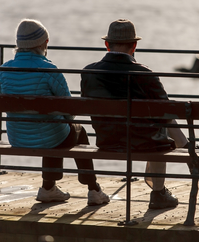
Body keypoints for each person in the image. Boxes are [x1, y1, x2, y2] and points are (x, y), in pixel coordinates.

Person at [80, 18, 190, 209]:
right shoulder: (145, 74)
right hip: (143, 144)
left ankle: (182, 152)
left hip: (107, 141)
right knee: (161, 127)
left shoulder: (89, 72)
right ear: (134, 46)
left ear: (106, 44)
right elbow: (167, 110)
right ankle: (159, 192)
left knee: (157, 122)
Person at [0, 19, 109, 206]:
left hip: (17, 137)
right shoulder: (49, 70)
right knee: (74, 130)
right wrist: (65, 119)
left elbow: (3, 101)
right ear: (43, 44)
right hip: (47, 136)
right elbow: (69, 110)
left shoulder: (4, 70)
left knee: (51, 129)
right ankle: (93, 189)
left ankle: (48, 188)